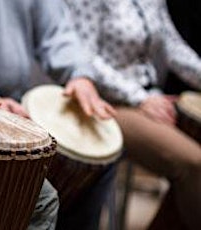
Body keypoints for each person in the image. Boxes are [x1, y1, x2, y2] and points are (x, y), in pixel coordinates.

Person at [0, 0, 116, 229]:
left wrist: (79, 74)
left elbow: (56, 33)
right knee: (41, 198)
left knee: (97, 157)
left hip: (15, 103)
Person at [63, 0, 201, 229]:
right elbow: (85, 57)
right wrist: (139, 97)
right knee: (195, 163)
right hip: (106, 103)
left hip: (151, 97)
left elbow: (173, 47)